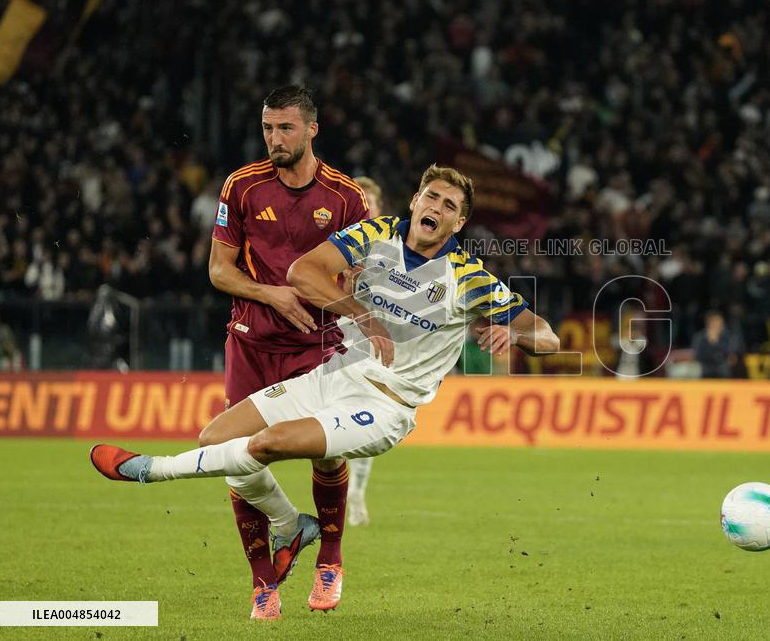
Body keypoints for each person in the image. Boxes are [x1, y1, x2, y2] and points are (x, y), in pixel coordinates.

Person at [90, 164, 560, 617]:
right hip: (332, 374)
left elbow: (548, 336)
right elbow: (302, 272)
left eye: (449, 204)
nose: (435, 206)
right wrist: (361, 312)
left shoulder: (468, 277)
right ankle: (292, 524)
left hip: (384, 405)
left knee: (267, 444)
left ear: (459, 221)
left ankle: (152, 469)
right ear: (416, 201)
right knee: (214, 439)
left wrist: (515, 335)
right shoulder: (375, 236)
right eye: (431, 195)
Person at [207, 85, 368, 619]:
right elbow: (219, 269)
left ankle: (331, 559)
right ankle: (263, 582)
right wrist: (269, 292)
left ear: (312, 130)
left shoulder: (347, 198)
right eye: (267, 128)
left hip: (318, 346)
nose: (274, 139)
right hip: (251, 344)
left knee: (329, 450)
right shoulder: (242, 186)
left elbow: (361, 278)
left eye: (285, 129)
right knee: (235, 454)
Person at [344, 176, 383, 527]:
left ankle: (355, 492)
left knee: (365, 421)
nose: (365, 209)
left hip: (371, 340)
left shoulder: (391, 248)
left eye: (369, 203)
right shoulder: (335, 243)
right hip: (333, 335)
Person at [690, 310, 741, 378]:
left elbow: (732, 356)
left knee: (724, 369)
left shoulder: (730, 336)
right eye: (713, 322)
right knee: (695, 369)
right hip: (703, 366)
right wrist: (710, 342)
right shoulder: (699, 337)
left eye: (718, 321)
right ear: (708, 323)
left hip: (722, 366)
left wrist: (716, 342)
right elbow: (695, 355)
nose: (716, 324)